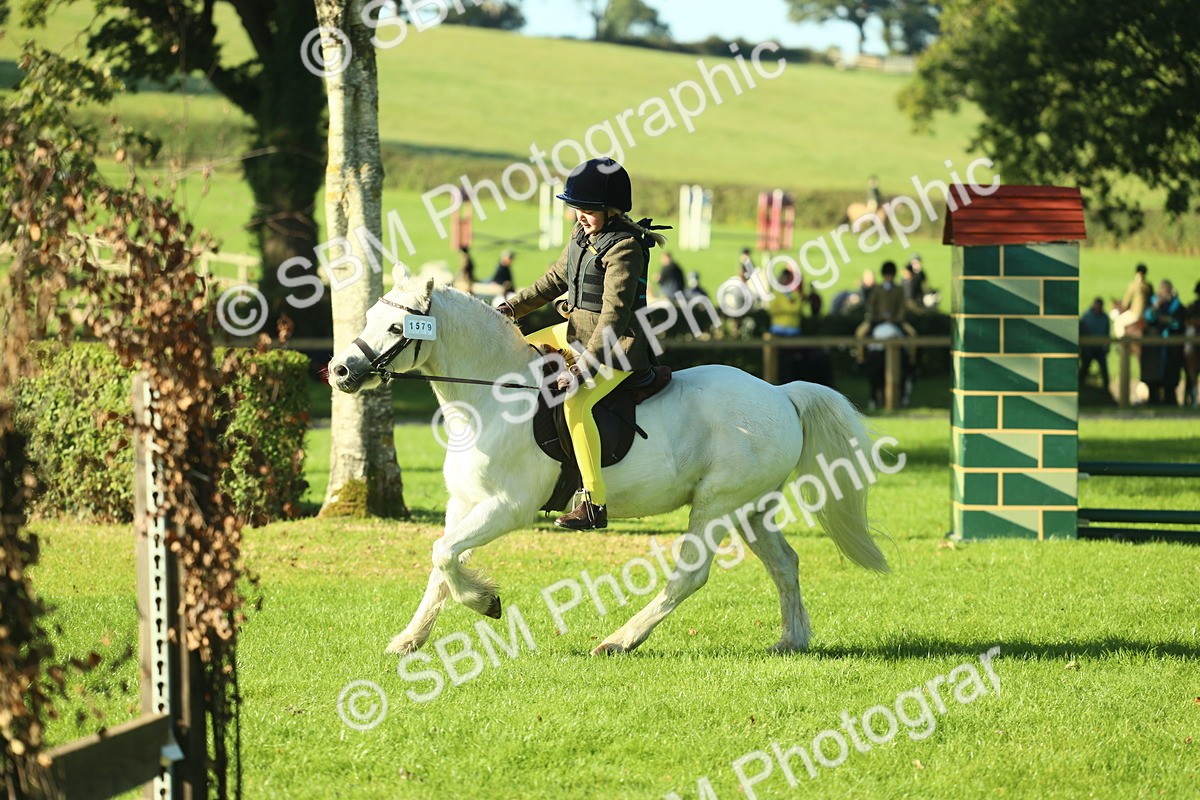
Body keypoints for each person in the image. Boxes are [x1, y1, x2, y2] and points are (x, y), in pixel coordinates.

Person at [498, 158, 667, 530]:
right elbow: (553, 280)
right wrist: (508, 309)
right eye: (576, 208)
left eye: (588, 209)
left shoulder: (625, 248)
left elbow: (613, 316)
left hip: (617, 347)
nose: (579, 215)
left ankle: (593, 502)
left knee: (575, 403)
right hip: (573, 332)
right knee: (515, 352)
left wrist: (582, 369)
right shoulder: (581, 235)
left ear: (612, 210)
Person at [855, 261, 916, 363]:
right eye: (887, 275)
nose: (889, 277)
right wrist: (874, 317)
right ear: (884, 275)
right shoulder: (877, 289)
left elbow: (902, 306)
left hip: (895, 319)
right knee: (860, 333)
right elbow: (871, 305)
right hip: (878, 319)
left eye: (890, 275)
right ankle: (860, 358)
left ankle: (911, 359)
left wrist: (898, 318)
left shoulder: (899, 289)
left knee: (912, 334)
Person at [1140, 279, 1184, 405]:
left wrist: (1167, 320)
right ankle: (1153, 401)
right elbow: (1148, 318)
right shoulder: (1152, 302)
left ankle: (1170, 402)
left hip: (1171, 349)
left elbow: (1178, 323)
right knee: (1152, 380)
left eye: (1167, 291)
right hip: (1154, 349)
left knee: (1170, 380)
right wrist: (1155, 307)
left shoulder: (1177, 306)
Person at [1079, 297, 1111, 393]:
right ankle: (1081, 388)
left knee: (1104, 370)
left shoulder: (1104, 318)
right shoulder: (1086, 316)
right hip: (1088, 349)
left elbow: (1107, 333)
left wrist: (1107, 346)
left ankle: (1106, 389)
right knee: (1084, 369)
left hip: (1099, 349)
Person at [1114, 263, 1152, 338]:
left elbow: (1125, 302)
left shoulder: (1133, 285)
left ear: (1136, 272)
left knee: (1118, 322)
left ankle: (1121, 341)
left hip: (1136, 313)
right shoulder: (1148, 286)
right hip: (1147, 314)